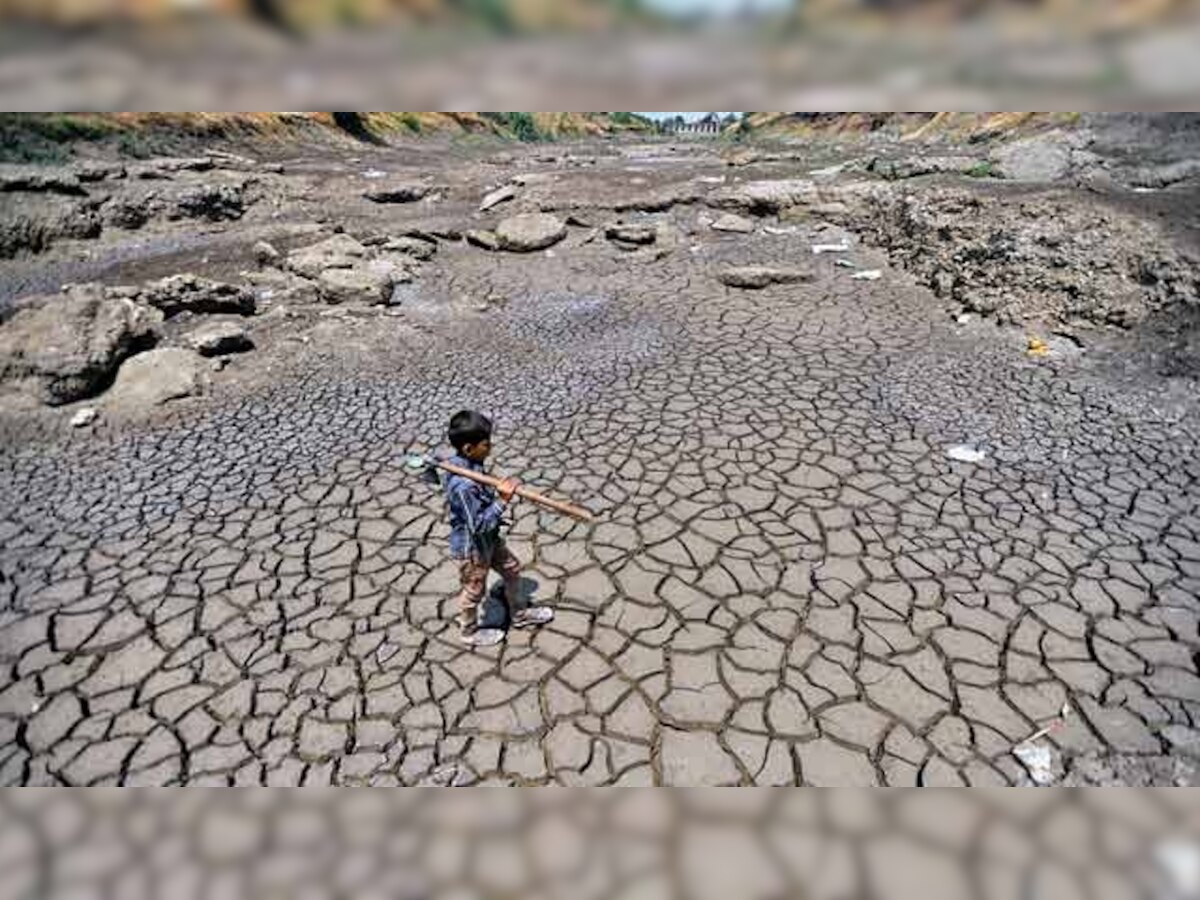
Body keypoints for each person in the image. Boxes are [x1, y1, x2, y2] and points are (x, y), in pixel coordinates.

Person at [443, 410, 554, 646]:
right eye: (486, 444)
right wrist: (502, 500)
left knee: (512, 569)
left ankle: (519, 614)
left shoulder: (470, 464)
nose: (490, 447)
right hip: (472, 549)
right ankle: (469, 631)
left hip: (490, 540)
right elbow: (479, 524)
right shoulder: (462, 485)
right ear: (468, 449)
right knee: (474, 590)